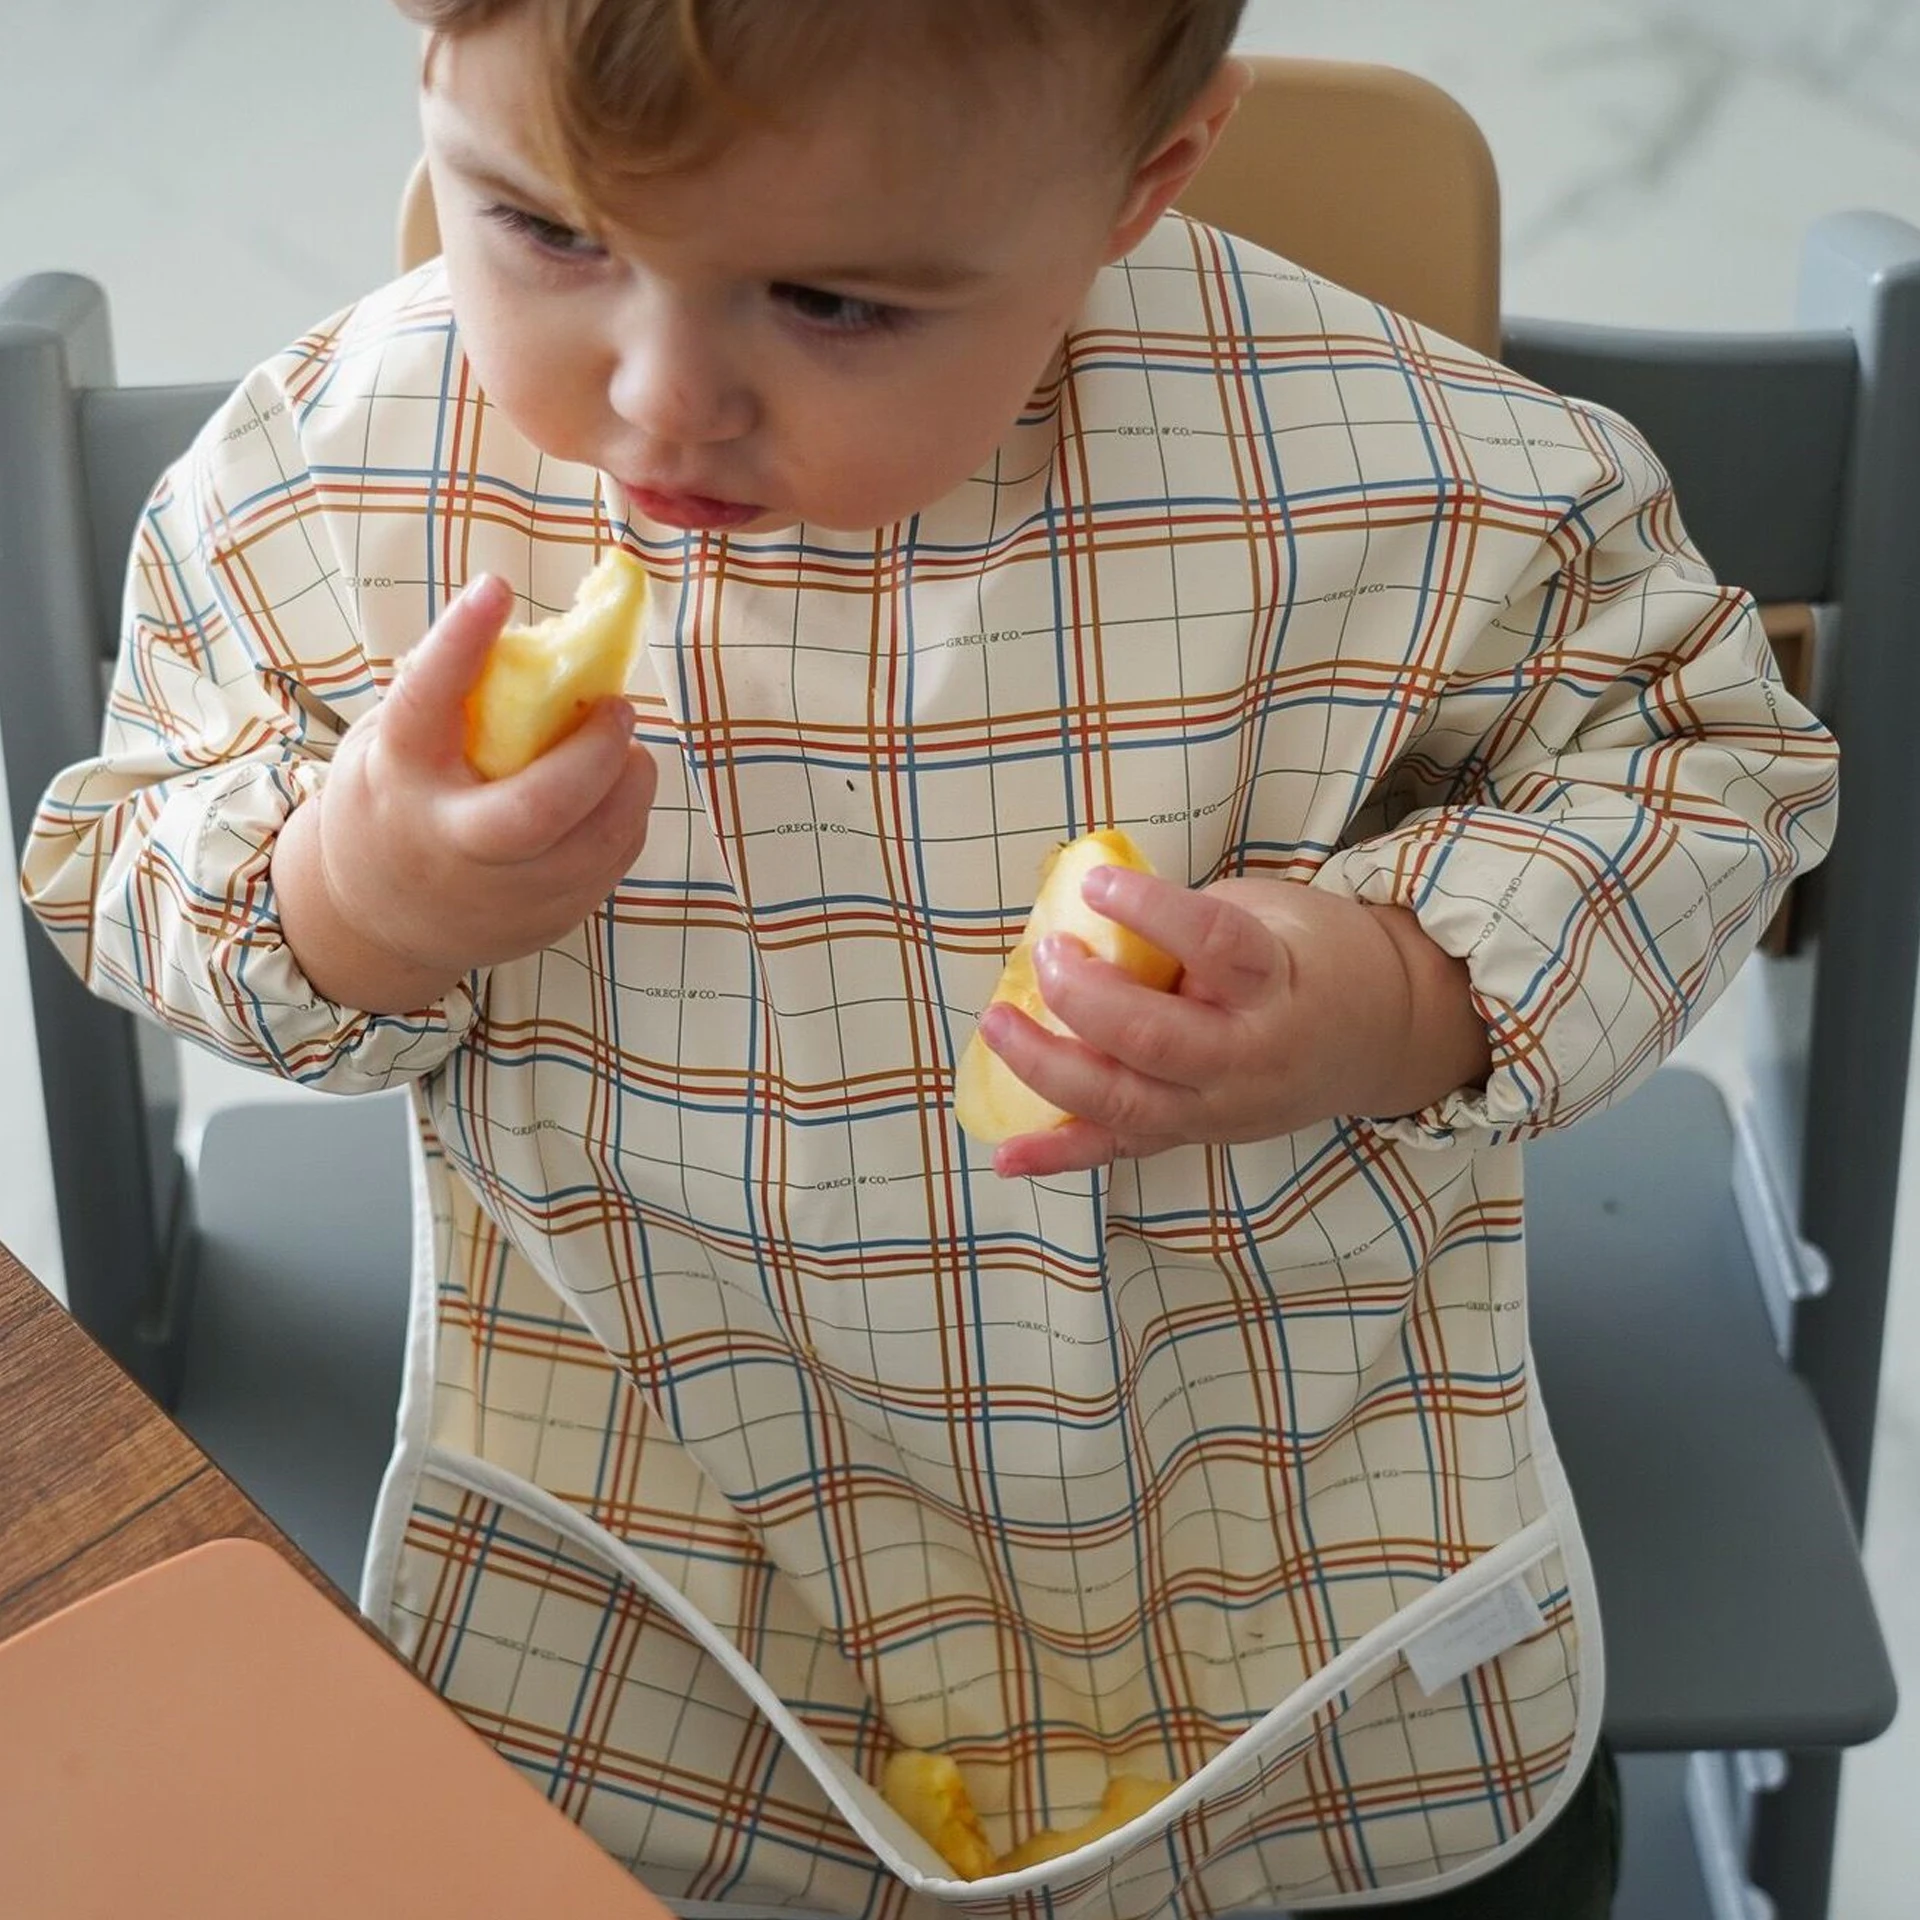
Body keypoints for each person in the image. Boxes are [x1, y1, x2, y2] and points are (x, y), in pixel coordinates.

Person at [21, 2, 1835, 1914]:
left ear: (1140, 180)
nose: (663, 398)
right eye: (549, 231)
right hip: (659, 1529)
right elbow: (127, 848)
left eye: (832, 301)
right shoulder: (335, 486)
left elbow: (1706, 762)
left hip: (1284, 1517)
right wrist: (356, 897)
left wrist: (1387, 987)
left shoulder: (1403, 476)